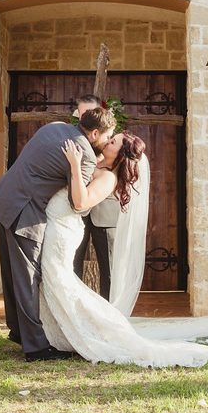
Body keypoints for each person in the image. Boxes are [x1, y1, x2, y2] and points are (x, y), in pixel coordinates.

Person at [38, 132, 208, 368]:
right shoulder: (98, 161)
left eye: (113, 141)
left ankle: (95, 324)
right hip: (68, 224)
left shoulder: (108, 176)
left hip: (76, 221)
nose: (108, 141)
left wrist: (74, 165)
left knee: (83, 278)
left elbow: (82, 199)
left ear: (121, 154)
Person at [0, 106, 116, 361]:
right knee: (28, 279)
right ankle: (36, 348)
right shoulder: (85, 155)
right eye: (107, 136)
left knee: (12, 276)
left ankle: (19, 332)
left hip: (3, 199)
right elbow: (76, 201)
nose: (107, 141)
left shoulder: (54, 127)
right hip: (25, 211)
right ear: (95, 133)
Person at [70, 94, 116, 300]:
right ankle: (74, 309)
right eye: (81, 114)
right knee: (72, 262)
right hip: (76, 211)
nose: (84, 117)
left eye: (89, 112)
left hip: (104, 209)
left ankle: (113, 312)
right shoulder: (73, 139)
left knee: (109, 267)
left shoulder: (113, 139)